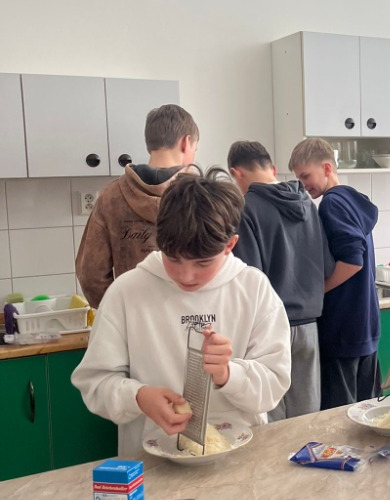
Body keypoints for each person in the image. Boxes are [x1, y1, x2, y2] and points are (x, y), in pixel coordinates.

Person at [72, 168, 291, 456]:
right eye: (173, 259)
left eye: (203, 263)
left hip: (238, 459)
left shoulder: (254, 289)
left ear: (230, 245)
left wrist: (228, 374)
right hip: (152, 462)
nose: (186, 276)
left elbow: (275, 384)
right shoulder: (127, 292)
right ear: (159, 242)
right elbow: (94, 383)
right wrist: (138, 396)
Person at [228, 140, 334, 420]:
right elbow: (326, 265)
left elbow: (248, 280)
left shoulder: (246, 209)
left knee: (271, 418)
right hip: (309, 326)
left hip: (271, 326)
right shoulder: (307, 203)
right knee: (307, 418)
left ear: (236, 173)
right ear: (272, 168)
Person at [76, 104, 200, 308]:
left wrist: (120, 312)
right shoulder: (204, 196)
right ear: (186, 143)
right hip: (191, 319)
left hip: (132, 319)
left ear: (149, 145)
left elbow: (90, 274)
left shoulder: (111, 196)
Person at [289, 138, 381, 408]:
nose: (303, 184)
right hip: (365, 325)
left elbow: (353, 260)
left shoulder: (331, 204)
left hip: (342, 328)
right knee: (368, 412)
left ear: (327, 168)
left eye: (306, 176)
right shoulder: (353, 199)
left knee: (340, 417)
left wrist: (318, 291)